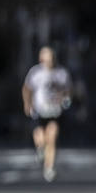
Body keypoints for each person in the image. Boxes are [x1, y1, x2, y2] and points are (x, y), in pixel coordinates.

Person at [22, 45, 71, 182]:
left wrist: (66, 99)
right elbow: (27, 89)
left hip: (54, 110)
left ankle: (49, 168)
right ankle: (40, 149)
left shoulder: (61, 73)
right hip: (39, 109)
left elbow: (67, 90)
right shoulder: (36, 73)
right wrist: (27, 104)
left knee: (53, 136)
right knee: (41, 137)